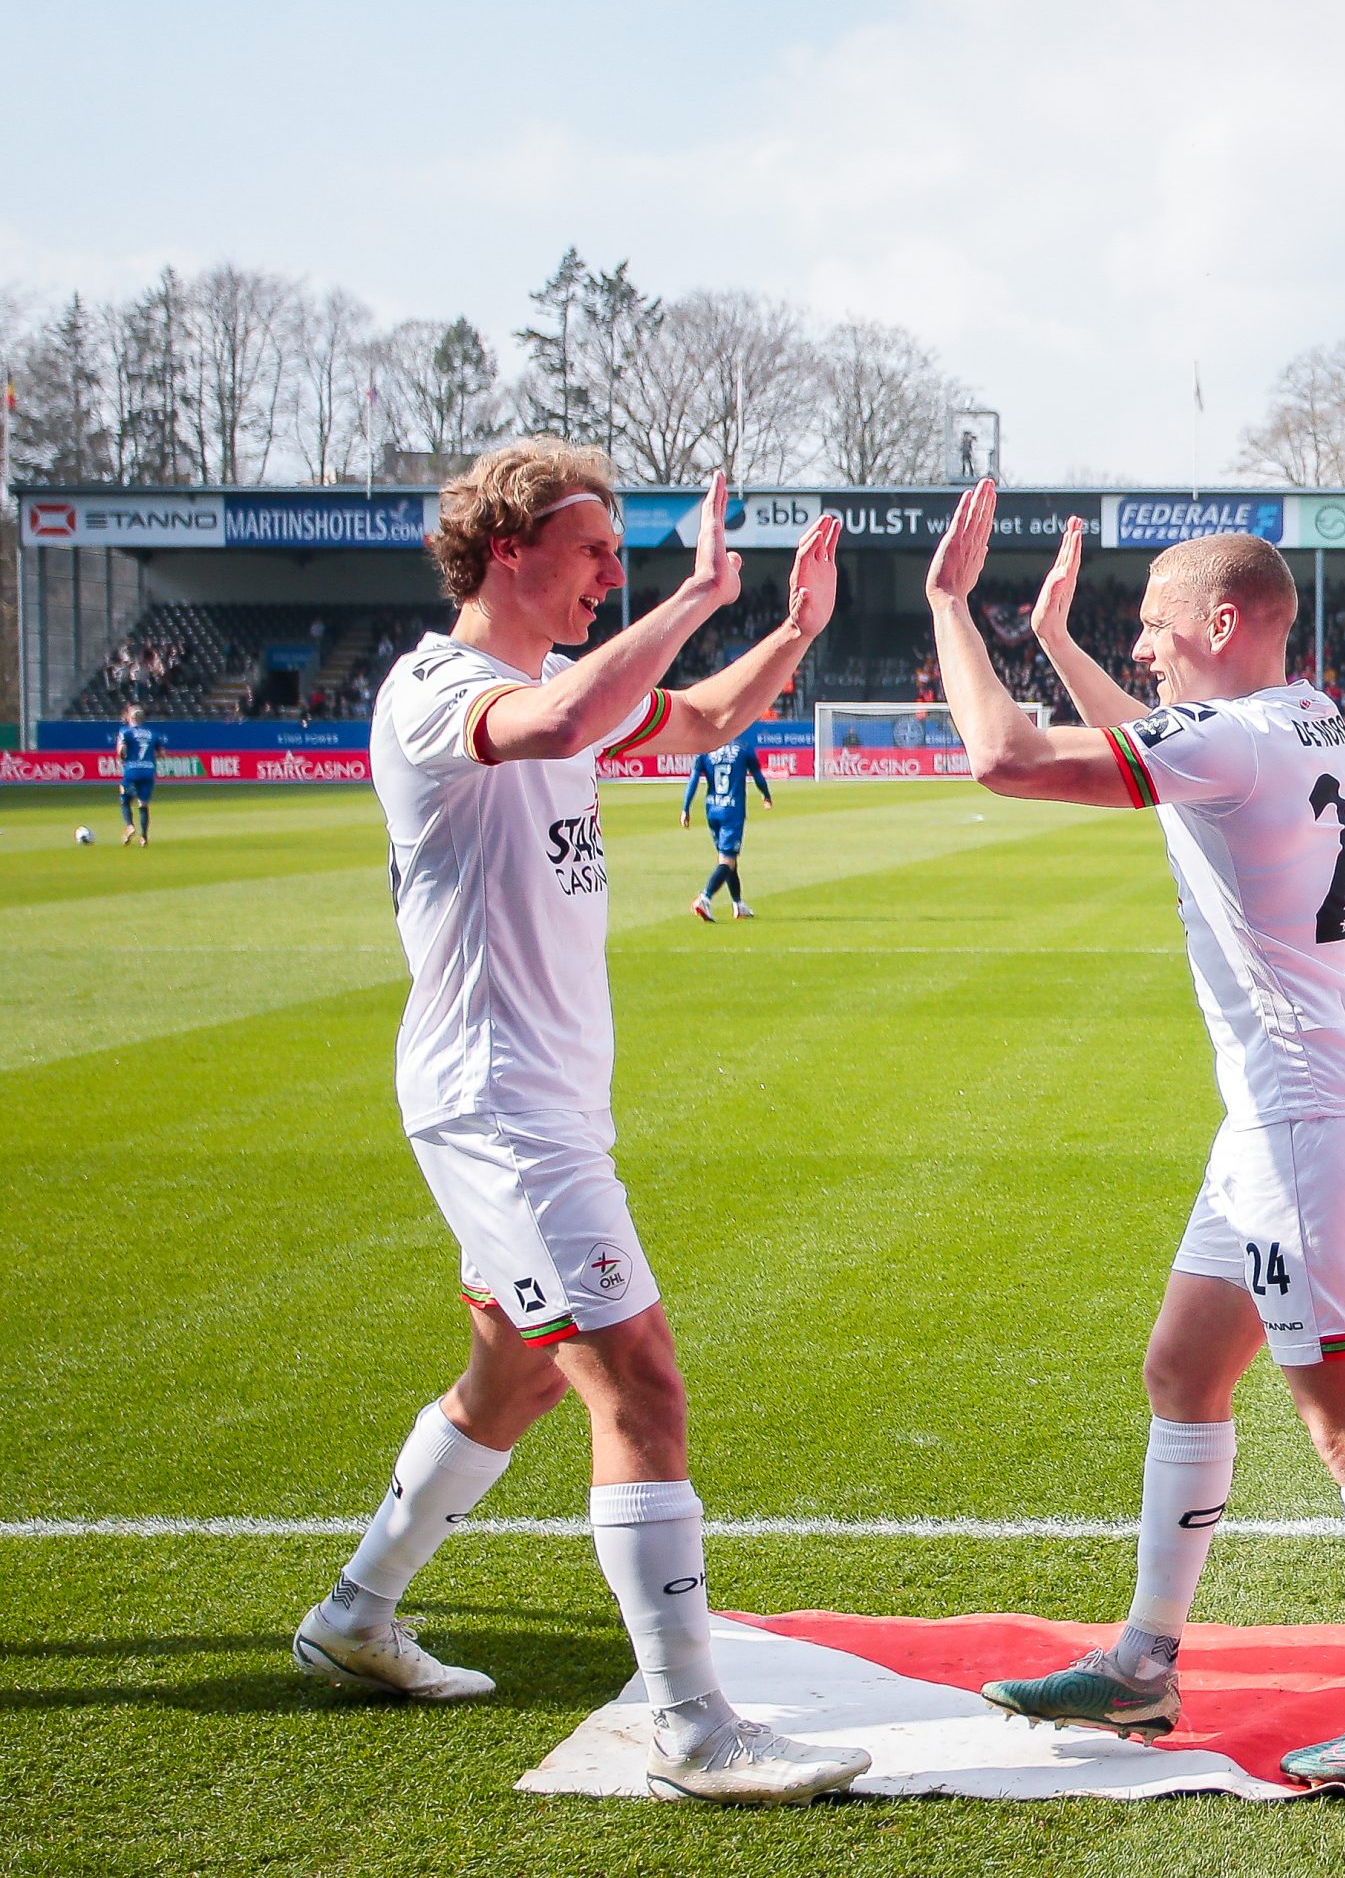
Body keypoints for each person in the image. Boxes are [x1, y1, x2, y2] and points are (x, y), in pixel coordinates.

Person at [294, 449, 871, 1806]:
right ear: (507, 548)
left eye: (625, 556)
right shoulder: (442, 692)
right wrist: (697, 592)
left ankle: (356, 1616)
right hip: (500, 1108)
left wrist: (786, 630)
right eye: (595, 549)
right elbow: (553, 727)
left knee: (519, 1373)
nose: (613, 574)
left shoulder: (561, 692)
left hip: (543, 1102)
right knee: (641, 1378)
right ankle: (693, 1726)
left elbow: (701, 722)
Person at [925, 489, 1345, 1793]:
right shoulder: (1298, 718)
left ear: (1223, 621)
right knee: (1184, 1366)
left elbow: (1003, 757)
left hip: (1311, 1121)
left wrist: (956, 606)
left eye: (1157, 629)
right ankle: (1144, 1662)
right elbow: (1171, 753)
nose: (1142, 651)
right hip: (1287, 1112)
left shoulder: (1237, 740)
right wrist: (1057, 643)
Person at [683, 723, 775, 920]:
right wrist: (766, 796)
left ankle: (738, 904)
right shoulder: (743, 749)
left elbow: (693, 780)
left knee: (728, 859)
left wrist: (685, 808)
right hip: (732, 811)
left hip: (712, 811)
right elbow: (758, 776)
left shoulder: (706, 750)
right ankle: (704, 899)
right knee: (727, 860)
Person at [113, 705, 162, 846]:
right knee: (143, 804)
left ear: (130, 717)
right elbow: (161, 753)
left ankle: (129, 825)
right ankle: (144, 837)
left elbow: (121, 750)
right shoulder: (152, 733)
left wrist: (122, 758)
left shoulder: (126, 731)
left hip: (132, 770)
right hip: (148, 771)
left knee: (124, 795)